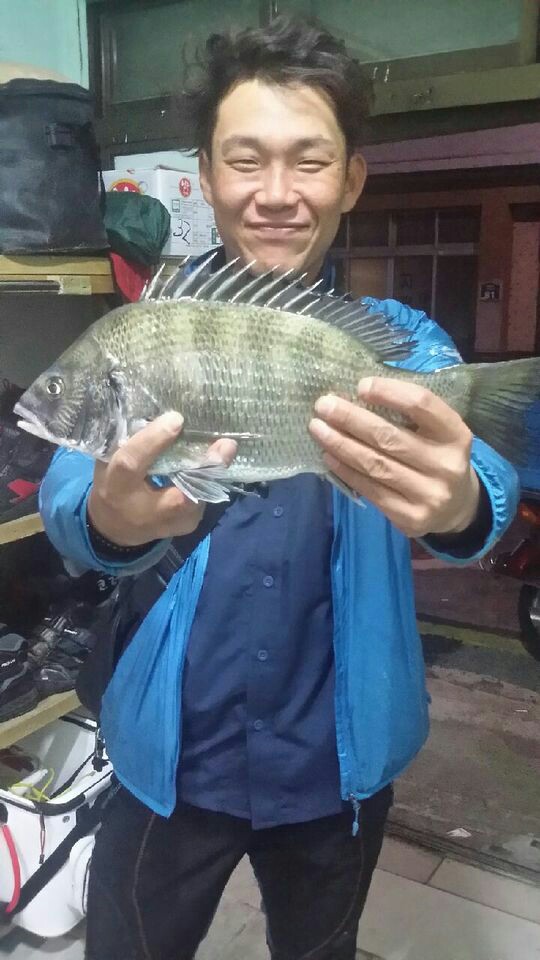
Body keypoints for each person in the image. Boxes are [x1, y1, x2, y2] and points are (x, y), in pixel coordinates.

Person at [40, 17, 519, 960]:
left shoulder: (401, 341)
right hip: (169, 757)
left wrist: (464, 503)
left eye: (310, 160)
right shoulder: (150, 329)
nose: (275, 194)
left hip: (333, 767)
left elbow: (483, 472)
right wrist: (106, 517)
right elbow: (67, 487)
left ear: (352, 179)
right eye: (245, 159)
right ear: (206, 175)